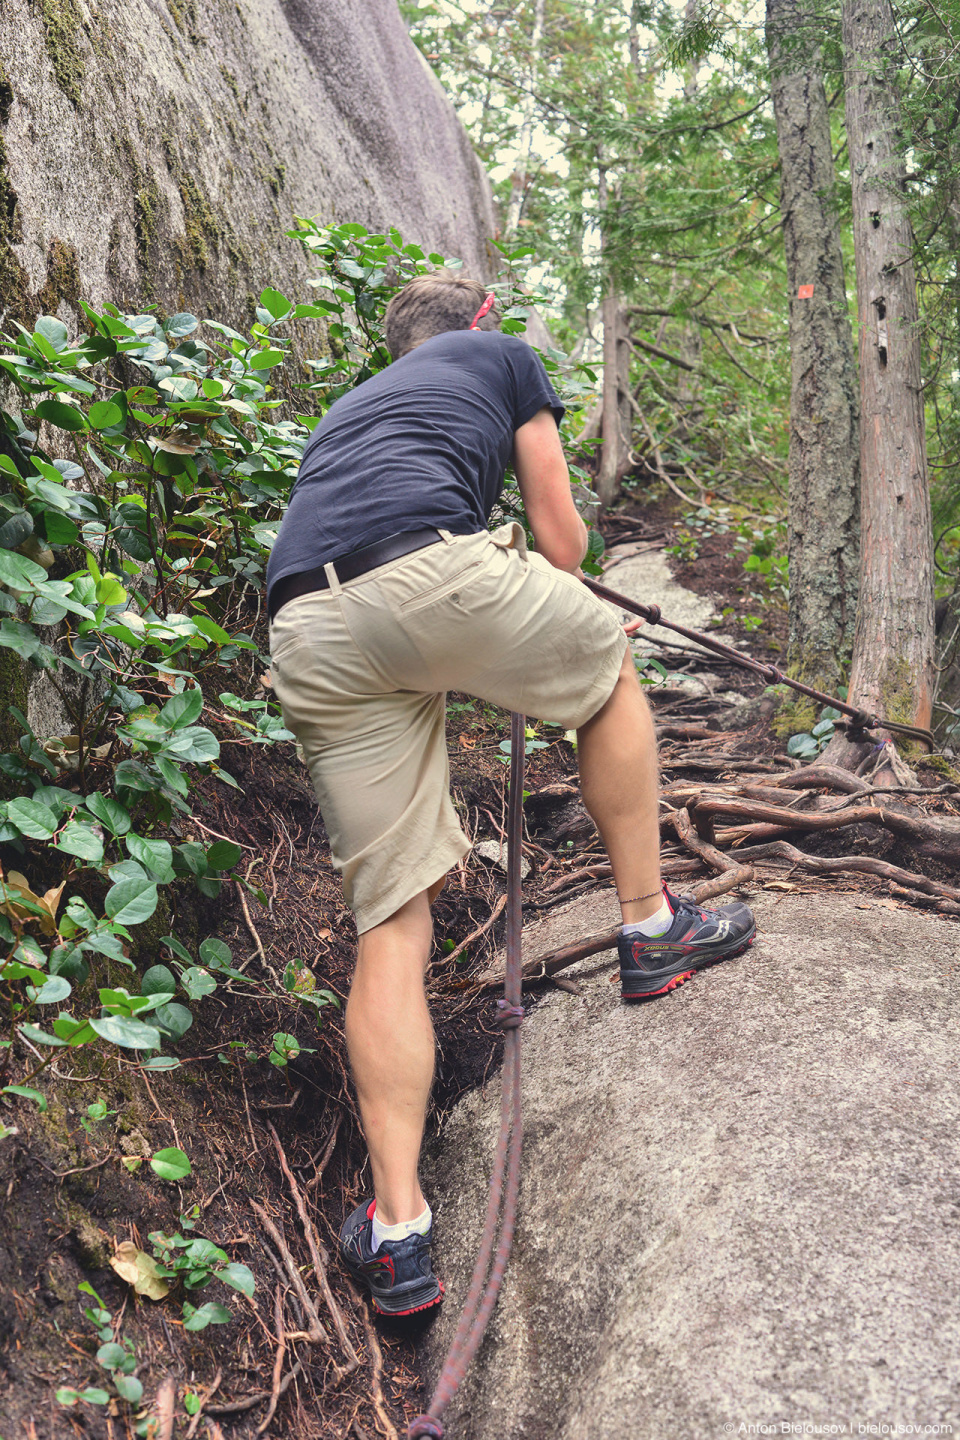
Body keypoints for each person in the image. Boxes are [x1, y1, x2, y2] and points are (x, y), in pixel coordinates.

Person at [266, 273, 755, 1317]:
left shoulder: (352, 411)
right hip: (427, 576)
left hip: (306, 625)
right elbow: (564, 540)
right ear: (481, 322)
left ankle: (397, 1230)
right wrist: (568, 612)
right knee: (609, 667)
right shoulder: (499, 357)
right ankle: (649, 925)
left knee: (391, 921)